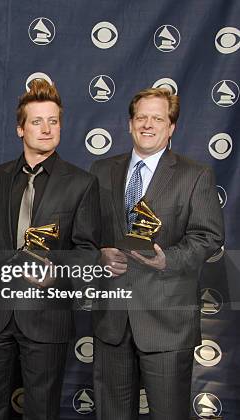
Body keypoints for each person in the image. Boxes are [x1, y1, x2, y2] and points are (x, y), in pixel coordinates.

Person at [0, 79, 100, 420]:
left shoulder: (82, 183)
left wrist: (58, 272)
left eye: (53, 121)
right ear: (20, 129)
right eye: (37, 121)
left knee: (42, 410)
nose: (46, 128)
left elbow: (87, 251)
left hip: (47, 315)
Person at [90, 87, 224, 420]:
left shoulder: (195, 175)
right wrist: (99, 256)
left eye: (158, 118)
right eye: (142, 117)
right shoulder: (101, 170)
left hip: (167, 321)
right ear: (130, 124)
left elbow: (209, 236)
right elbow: (85, 233)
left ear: (171, 127)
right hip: (112, 320)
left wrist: (169, 259)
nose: (148, 125)